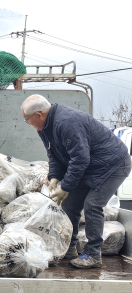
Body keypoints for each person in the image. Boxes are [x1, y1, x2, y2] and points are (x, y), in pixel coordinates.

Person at [22, 94, 131, 269]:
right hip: (91, 166)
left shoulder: (67, 122)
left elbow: (80, 158)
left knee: (93, 204)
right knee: (70, 204)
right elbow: (54, 155)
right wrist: (55, 176)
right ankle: (69, 247)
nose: (28, 123)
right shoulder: (44, 128)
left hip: (113, 165)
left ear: (38, 115)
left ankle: (93, 254)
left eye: (27, 119)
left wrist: (65, 186)